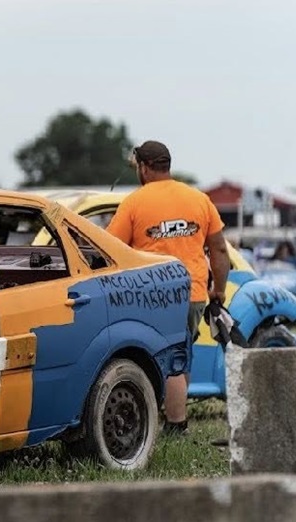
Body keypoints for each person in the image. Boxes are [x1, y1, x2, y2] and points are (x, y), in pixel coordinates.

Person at [106, 140, 231, 436]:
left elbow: (110, 250)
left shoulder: (134, 203)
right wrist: (219, 291)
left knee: (169, 358)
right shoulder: (199, 199)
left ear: (145, 168)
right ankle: (176, 418)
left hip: (153, 295)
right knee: (181, 354)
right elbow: (220, 250)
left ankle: (176, 424)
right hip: (194, 293)